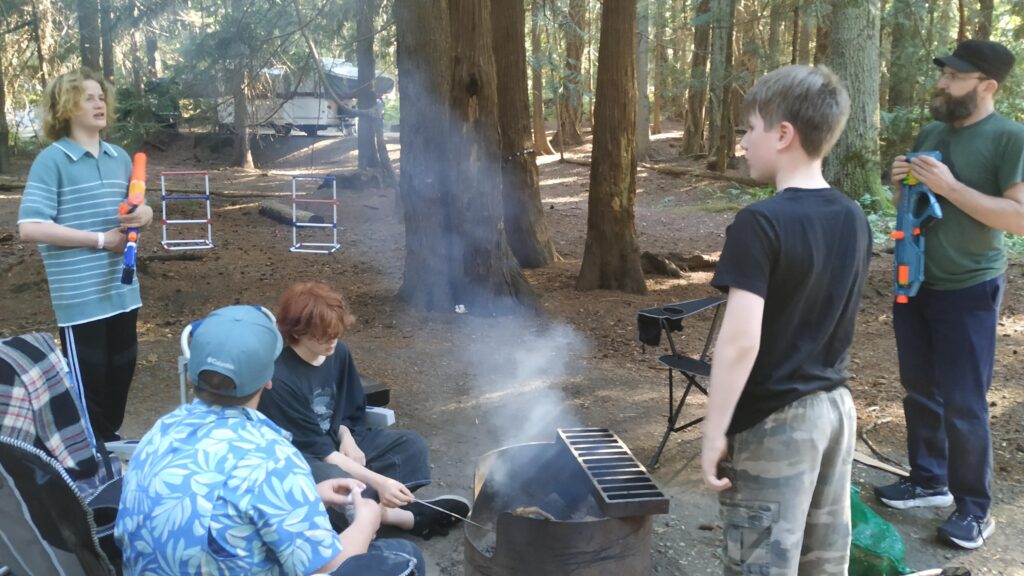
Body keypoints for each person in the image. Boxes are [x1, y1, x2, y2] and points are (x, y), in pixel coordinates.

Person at [700, 65, 870, 575]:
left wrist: (714, 431)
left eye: (749, 129)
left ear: (783, 134)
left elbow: (739, 342)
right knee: (823, 563)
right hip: (836, 413)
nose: (742, 144)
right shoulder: (853, 215)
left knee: (760, 566)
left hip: (777, 424)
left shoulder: (760, 222)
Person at [115, 305, 426, 575]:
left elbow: (215, 501)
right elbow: (327, 565)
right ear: (268, 379)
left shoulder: (160, 432)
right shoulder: (272, 457)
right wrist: (367, 521)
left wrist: (310, 495)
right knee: (404, 556)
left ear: (191, 373)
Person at [874, 40, 1024, 550]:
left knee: (963, 401)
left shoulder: (1010, 138)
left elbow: (1018, 218)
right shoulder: (932, 132)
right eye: (944, 74)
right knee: (919, 388)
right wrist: (901, 184)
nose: (941, 83)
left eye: (955, 77)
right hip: (915, 280)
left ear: (988, 86)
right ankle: (928, 480)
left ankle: (975, 510)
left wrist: (950, 186)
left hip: (970, 286)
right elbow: (915, 204)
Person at [258, 282, 469, 539]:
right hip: (304, 459)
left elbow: (348, 409)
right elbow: (319, 451)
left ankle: (369, 510)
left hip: (333, 443)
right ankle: (406, 518)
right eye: (322, 335)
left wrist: (346, 435)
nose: (331, 341)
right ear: (297, 332)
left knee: (411, 445)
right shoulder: (280, 379)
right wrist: (380, 481)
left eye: (335, 332)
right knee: (339, 482)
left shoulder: (338, 353)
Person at [17, 68, 153, 443]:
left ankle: (105, 449)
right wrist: (101, 240)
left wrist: (144, 214)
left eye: (101, 97)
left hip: (123, 293)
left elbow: (135, 210)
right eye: (88, 97)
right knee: (88, 394)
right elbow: (30, 227)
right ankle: (93, 458)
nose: (99, 103)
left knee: (120, 380)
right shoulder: (52, 160)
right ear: (65, 107)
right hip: (81, 302)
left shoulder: (119, 157)